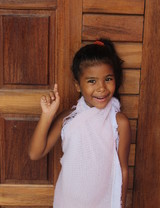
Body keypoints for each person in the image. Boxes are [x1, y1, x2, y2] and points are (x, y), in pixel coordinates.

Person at [28, 39, 131, 208]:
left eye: (108, 79)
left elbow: (123, 170)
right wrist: (47, 115)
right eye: (92, 81)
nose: (101, 88)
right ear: (77, 85)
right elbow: (35, 153)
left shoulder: (119, 122)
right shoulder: (68, 119)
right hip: (68, 202)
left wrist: (121, 204)